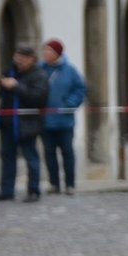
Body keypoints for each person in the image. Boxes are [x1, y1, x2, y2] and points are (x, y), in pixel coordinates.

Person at [0, 45, 49, 202]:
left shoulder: (39, 74)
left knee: (31, 157)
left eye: (21, 58)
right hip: (7, 122)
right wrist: (0, 84)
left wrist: (17, 86)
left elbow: (38, 98)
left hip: (27, 123)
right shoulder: (10, 71)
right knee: (7, 157)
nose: (18, 61)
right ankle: (6, 191)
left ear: (31, 58)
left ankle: (33, 190)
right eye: (16, 57)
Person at [39, 40, 85, 196]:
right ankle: (54, 183)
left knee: (67, 153)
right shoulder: (40, 69)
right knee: (49, 154)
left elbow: (80, 89)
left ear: (57, 53)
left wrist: (70, 103)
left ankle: (70, 184)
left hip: (65, 122)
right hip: (46, 121)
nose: (45, 53)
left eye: (49, 51)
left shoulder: (70, 70)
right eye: (45, 50)